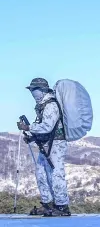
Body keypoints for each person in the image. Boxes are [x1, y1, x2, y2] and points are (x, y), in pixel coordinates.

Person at [16, 78, 71, 217]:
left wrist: (28, 127)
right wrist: (33, 137)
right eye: (32, 90)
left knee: (56, 173)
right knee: (41, 173)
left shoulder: (51, 105)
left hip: (56, 144)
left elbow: (47, 126)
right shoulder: (42, 105)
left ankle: (62, 205)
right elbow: (45, 128)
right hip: (47, 144)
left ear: (43, 90)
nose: (33, 93)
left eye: (34, 90)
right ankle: (48, 203)